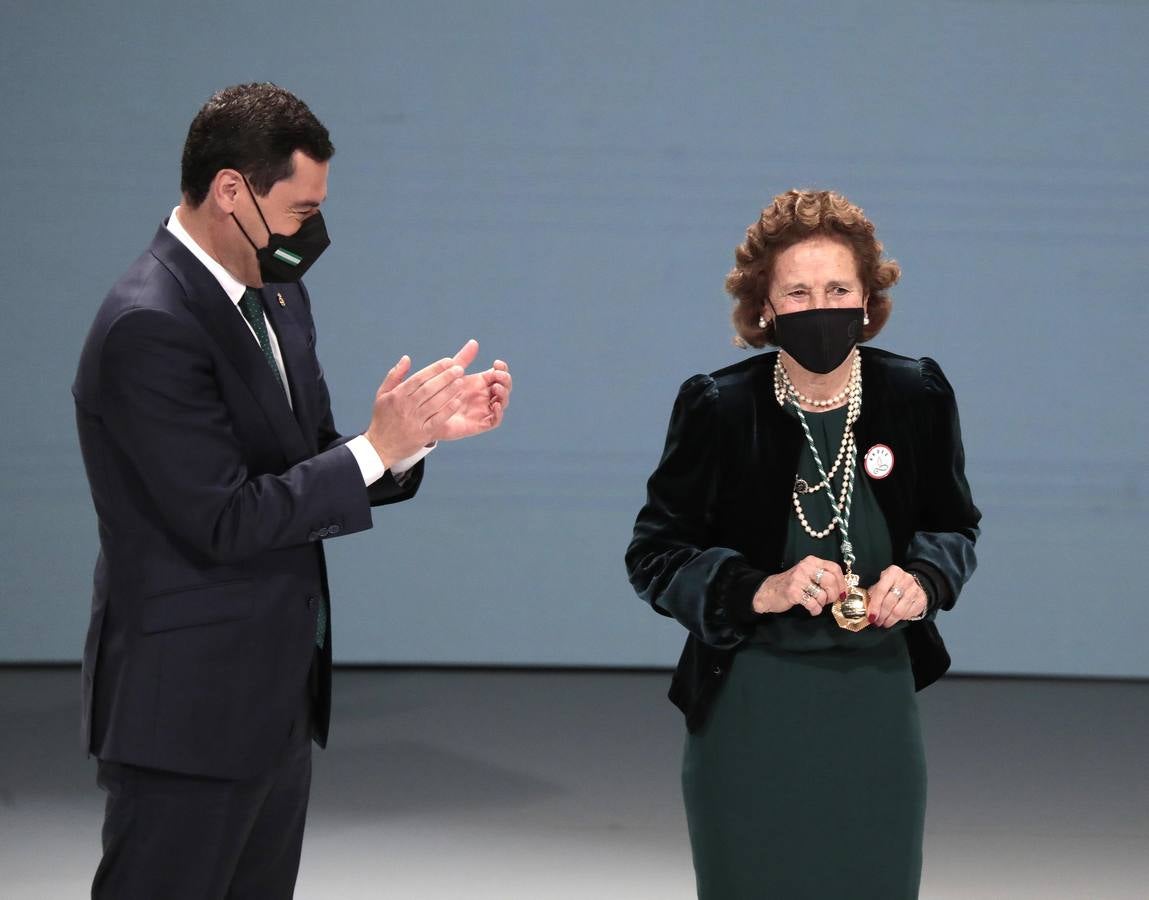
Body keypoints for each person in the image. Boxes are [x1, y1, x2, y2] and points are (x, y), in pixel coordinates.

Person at [72, 83, 512, 899]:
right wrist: (373, 449)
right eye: (300, 211)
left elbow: (303, 462)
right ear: (230, 190)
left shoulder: (278, 297)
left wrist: (409, 444)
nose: (311, 233)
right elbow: (225, 516)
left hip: (273, 706)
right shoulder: (149, 324)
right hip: (185, 715)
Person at [625, 189, 980, 899]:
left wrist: (924, 580)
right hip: (750, 704)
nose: (821, 305)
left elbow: (953, 526)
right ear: (765, 307)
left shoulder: (915, 393)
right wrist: (758, 587)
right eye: (798, 291)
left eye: (838, 288)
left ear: (867, 299)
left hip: (874, 700)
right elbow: (655, 555)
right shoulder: (718, 406)